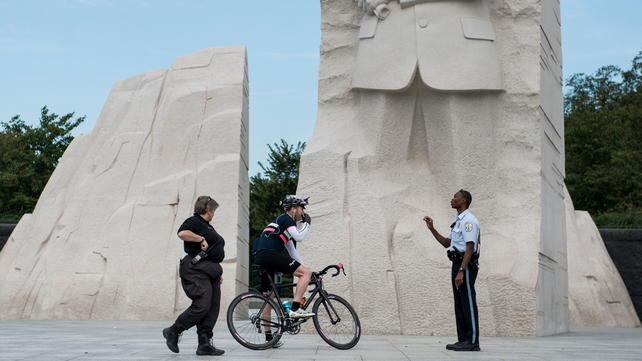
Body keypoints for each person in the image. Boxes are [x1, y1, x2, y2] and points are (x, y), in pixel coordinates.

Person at [163, 196, 225, 356]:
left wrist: (217, 272)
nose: (214, 214)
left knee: (212, 307)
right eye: (214, 210)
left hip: (209, 271)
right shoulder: (194, 221)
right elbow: (182, 233)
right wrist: (200, 238)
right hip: (195, 268)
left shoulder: (206, 225)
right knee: (202, 304)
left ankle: (204, 344)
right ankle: (173, 331)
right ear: (208, 209)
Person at [252, 195, 315, 346]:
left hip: (261, 256)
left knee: (269, 297)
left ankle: (269, 338)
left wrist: (306, 269)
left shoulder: (281, 225)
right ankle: (295, 308)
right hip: (269, 254)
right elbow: (299, 237)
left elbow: (293, 253)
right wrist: (307, 224)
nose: (303, 213)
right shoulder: (286, 218)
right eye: (301, 208)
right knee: (305, 274)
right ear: (293, 209)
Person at [423, 189, 481, 352]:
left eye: (456, 197)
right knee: (460, 303)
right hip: (457, 263)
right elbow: (447, 243)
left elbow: (470, 247)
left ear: (464, 201)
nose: (452, 199)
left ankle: (473, 341)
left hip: (465, 265)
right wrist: (432, 228)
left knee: (468, 302)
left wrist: (462, 270)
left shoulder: (469, 220)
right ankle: (463, 340)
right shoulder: (458, 221)